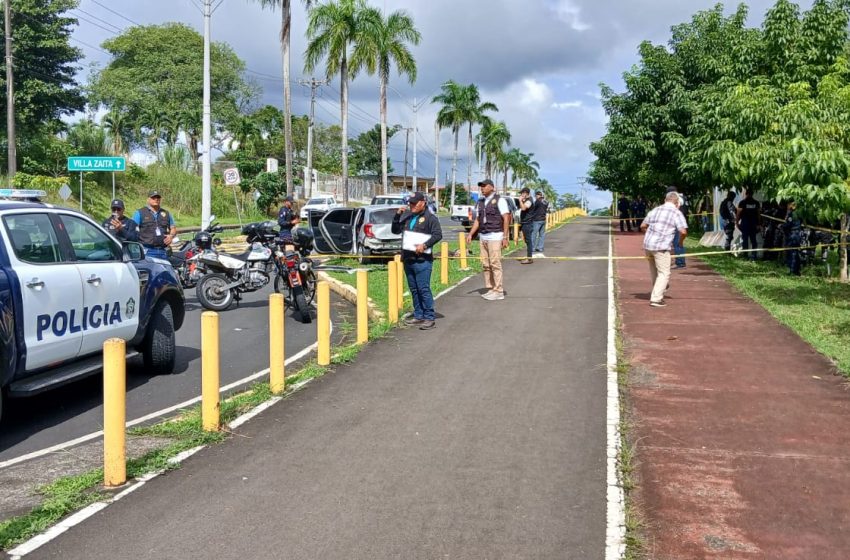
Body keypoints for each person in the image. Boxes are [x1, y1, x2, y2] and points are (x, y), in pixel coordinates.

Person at [391, 192, 443, 330]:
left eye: (414, 203)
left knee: (423, 288)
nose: (411, 205)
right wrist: (397, 215)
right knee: (414, 289)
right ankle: (418, 315)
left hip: (422, 260)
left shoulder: (430, 218)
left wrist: (425, 245)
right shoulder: (408, 216)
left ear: (423, 203)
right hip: (408, 258)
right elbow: (395, 230)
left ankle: (429, 317)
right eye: (410, 203)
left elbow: (438, 235)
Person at [640, 191, 688, 308]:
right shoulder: (676, 213)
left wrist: (650, 236)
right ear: (677, 203)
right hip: (661, 247)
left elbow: (642, 226)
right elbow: (683, 231)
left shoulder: (655, 210)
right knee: (664, 273)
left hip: (648, 245)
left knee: (654, 270)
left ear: (665, 200)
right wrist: (680, 243)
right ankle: (656, 299)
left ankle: (659, 288)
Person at [467, 179, 511, 301]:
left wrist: (505, 237)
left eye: (484, 186)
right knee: (486, 264)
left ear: (492, 187)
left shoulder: (500, 200)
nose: (482, 188)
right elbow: (478, 220)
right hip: (483, 235)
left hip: (495, 236)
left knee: (495, 263)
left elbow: (506, 217)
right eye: (481, 186)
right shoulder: (480, 202)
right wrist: (471, 233)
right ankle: (491, 288)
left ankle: (499, 290)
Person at [132, 191, 176, 259]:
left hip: (163, 250)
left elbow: (173, 228)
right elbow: (133, 229)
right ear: (148, 199)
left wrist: (171, 236)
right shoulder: (140, 213)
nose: (156, 199)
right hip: (147, 250)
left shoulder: (166, 213)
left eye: (158, 197)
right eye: (153, 197)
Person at [736, 189, 761, 260]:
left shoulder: (742, 202)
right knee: (753, 240)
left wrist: (737, 222)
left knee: (745, 240)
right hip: (753, 223)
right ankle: (754, 255)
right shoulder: (756, 203)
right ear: (752, 194)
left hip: (745, 223)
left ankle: (745, 255)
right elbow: (758, 214)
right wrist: (759, 224)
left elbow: (738, 214)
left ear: (746, 194)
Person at [666, 186, 687, 268]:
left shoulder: (677, 199)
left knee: (677, 243)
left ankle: (680, 263)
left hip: (677, 223)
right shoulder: (682, 197)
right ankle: (679, 261)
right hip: (681, 222)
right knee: (677, 243)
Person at [783, 200, 802, 276]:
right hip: (797, 233)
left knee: (792, 253)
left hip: (792, 234)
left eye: (788, 205)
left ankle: (792, 270)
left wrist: (782, 226)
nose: (787, 206)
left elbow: (788, 224)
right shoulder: (799, 212)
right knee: (796, 252)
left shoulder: (791, 214)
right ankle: (797, 270)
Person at [518, 187, 535, 265]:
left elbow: (524, 208)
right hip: (525, 223)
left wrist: (520, 200)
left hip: (528, 223)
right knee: (527, 241)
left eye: (522, 193)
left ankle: (529, 258)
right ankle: (529, 257)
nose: (521, 195)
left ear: (525, 193)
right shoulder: (527, 200)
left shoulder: (530, 201)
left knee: (528, 241)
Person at [531, 190, 549, 257]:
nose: (535, 197)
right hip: (543, 219)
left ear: (537, 195)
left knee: (534, 234)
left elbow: (533, 209)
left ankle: (532, 248)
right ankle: (540, 247)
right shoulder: (546, 201)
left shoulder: (537, 201)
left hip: (537, 219)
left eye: (536, 195)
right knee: (542, 234)